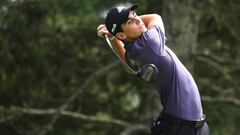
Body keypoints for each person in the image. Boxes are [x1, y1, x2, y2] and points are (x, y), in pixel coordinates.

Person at [97, 4, 210, 135]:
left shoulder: (134, 49)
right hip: (179, 128)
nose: (138, 20)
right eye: (130, 21)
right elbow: (155, 17)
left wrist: (113, 37)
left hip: (192, 126)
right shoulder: (150, 42)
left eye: (135, 15)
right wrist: (113, 34)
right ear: (122, 35)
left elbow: (128, 66)